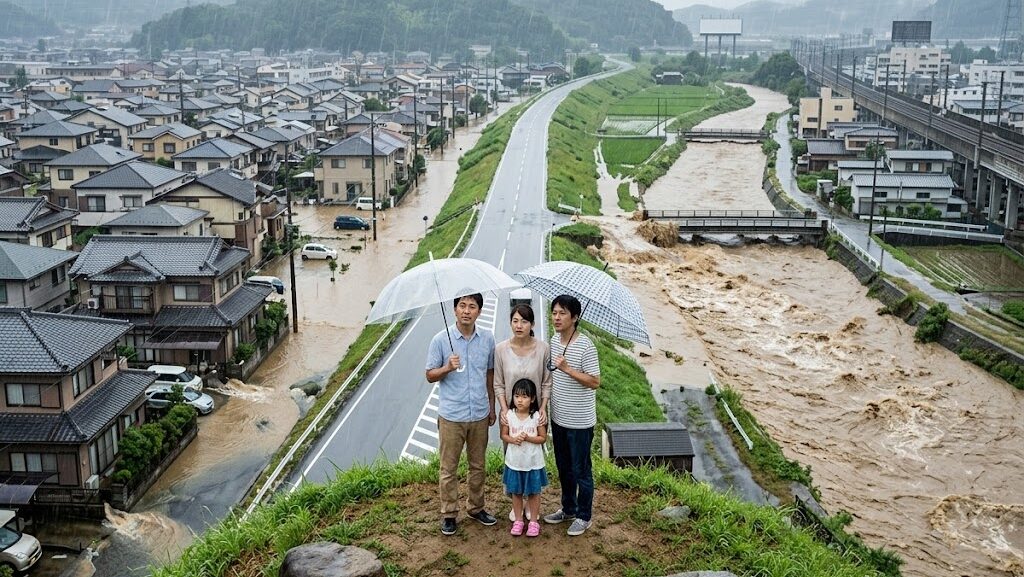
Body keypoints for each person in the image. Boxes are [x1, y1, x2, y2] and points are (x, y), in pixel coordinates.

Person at [425, 293, 497, 536]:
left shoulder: (487, 338)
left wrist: (492, 406)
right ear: (454, 310)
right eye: (462, 306)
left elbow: (489, 374)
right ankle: (449, 513)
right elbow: (429, 375)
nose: (467, 311)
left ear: (479, 311)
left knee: (478, 465)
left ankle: (476, 508)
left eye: (472, 306)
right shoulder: (439, 340)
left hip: (478, 412)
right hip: (451, 415)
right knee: (449, 468)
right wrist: (447, 367)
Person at [543, 295, 601, 536]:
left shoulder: (586, 346)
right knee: (563, 466)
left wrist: (568, 369)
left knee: (581, 470)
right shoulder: (555, 340)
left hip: (580, 421)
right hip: (559, 417)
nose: (556, 317)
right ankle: (568, 508)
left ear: (575, 317)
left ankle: (584, 516)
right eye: (554, 312)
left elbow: (595, 381)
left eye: (562, 313)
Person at [494, 303, 550, 522]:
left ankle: (530, 502)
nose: (519, 325)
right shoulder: (500, 350)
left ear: (532, 324)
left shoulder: (543, 348)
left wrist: (543, 408)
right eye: (515, 321)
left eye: (524, 321)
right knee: (512, 455)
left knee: (533, 454)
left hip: (536, 415)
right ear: (510, 323)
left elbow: (546, 382)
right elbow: (498, 383)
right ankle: (516, 503)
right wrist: (504, 410)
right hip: (511, 414)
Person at [500, 378, 548, 538]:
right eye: (517, 396)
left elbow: (543, 438)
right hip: (514, 462)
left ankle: (533, 521)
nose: (520, 400)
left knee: (534, 492)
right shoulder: (509, 415)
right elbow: (504, 435)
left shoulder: (536, 417)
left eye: (525, 397)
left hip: (533, 462)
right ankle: (518, 520)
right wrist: (513, 440)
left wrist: (527, 438)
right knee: (516, 492)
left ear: (533, 399)